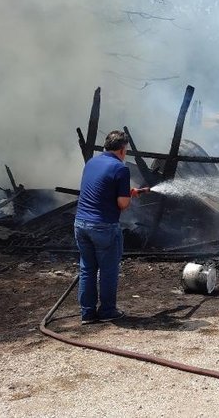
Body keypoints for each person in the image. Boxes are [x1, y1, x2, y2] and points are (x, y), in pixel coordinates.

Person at [74, 130, 147, 325]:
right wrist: (128, 196)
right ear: (123, 150)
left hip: (80, 224)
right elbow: (122, 204)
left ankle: (87, 313)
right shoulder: (121, 168)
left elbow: (101, 189)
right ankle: (107, 311)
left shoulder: (91, 162)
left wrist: (127, 191)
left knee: (88, 269)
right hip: (103, 226)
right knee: (108, 270)